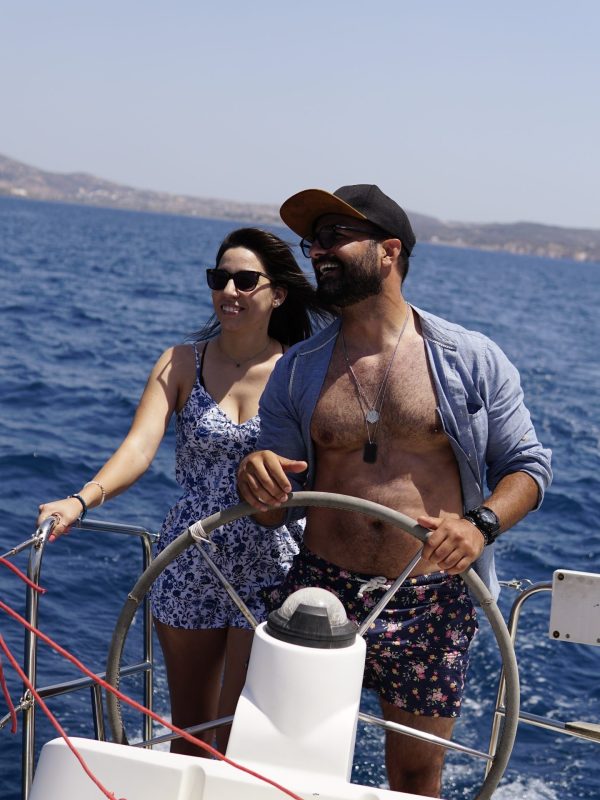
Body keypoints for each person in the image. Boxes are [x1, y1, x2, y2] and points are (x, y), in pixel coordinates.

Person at [237, 186, 552, 797]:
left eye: (333, 237)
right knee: (288, 759)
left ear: (389, 251)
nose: (317, 252)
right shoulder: (296, 371)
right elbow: (271, 511)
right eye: (313, 241)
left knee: (413, 776)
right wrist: (258, 481)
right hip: (319, 587)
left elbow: (529, 468)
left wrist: (479, 524)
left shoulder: (471, 359)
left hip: (432, 597)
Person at [37, 227, 331, 757]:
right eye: (220, 279)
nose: (230, 291)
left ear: (278, 293)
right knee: (192, 729)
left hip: (273, 559)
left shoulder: (302, 370)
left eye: (245, 280)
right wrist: (81, 500)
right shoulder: (180, 362)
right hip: (190, 557)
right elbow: (138, 450)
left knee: (244, 728)